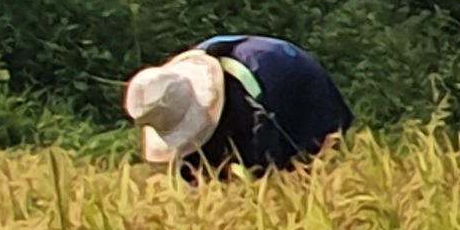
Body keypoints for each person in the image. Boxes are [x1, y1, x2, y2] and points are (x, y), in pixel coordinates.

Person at [122, 34, 352, 180]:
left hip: (298, 83)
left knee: (307, 172)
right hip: (261, 69)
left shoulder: (249, 106)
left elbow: (265, 169)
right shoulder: (166, 96)